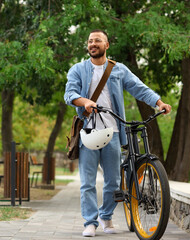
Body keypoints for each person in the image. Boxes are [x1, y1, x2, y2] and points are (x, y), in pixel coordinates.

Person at [64, 29, 171, 237]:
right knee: (87, 182)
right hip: (88, 133)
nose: (93, 44)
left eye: (97, 41)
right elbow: (70, 94)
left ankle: (106, 216)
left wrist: (159, 103)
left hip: (112, 132)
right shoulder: (77, 69)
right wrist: (85, 101)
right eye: (90, 41)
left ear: (107, 45)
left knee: (113, 181)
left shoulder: (118, 69)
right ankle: (90, 222)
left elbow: (139, 88)